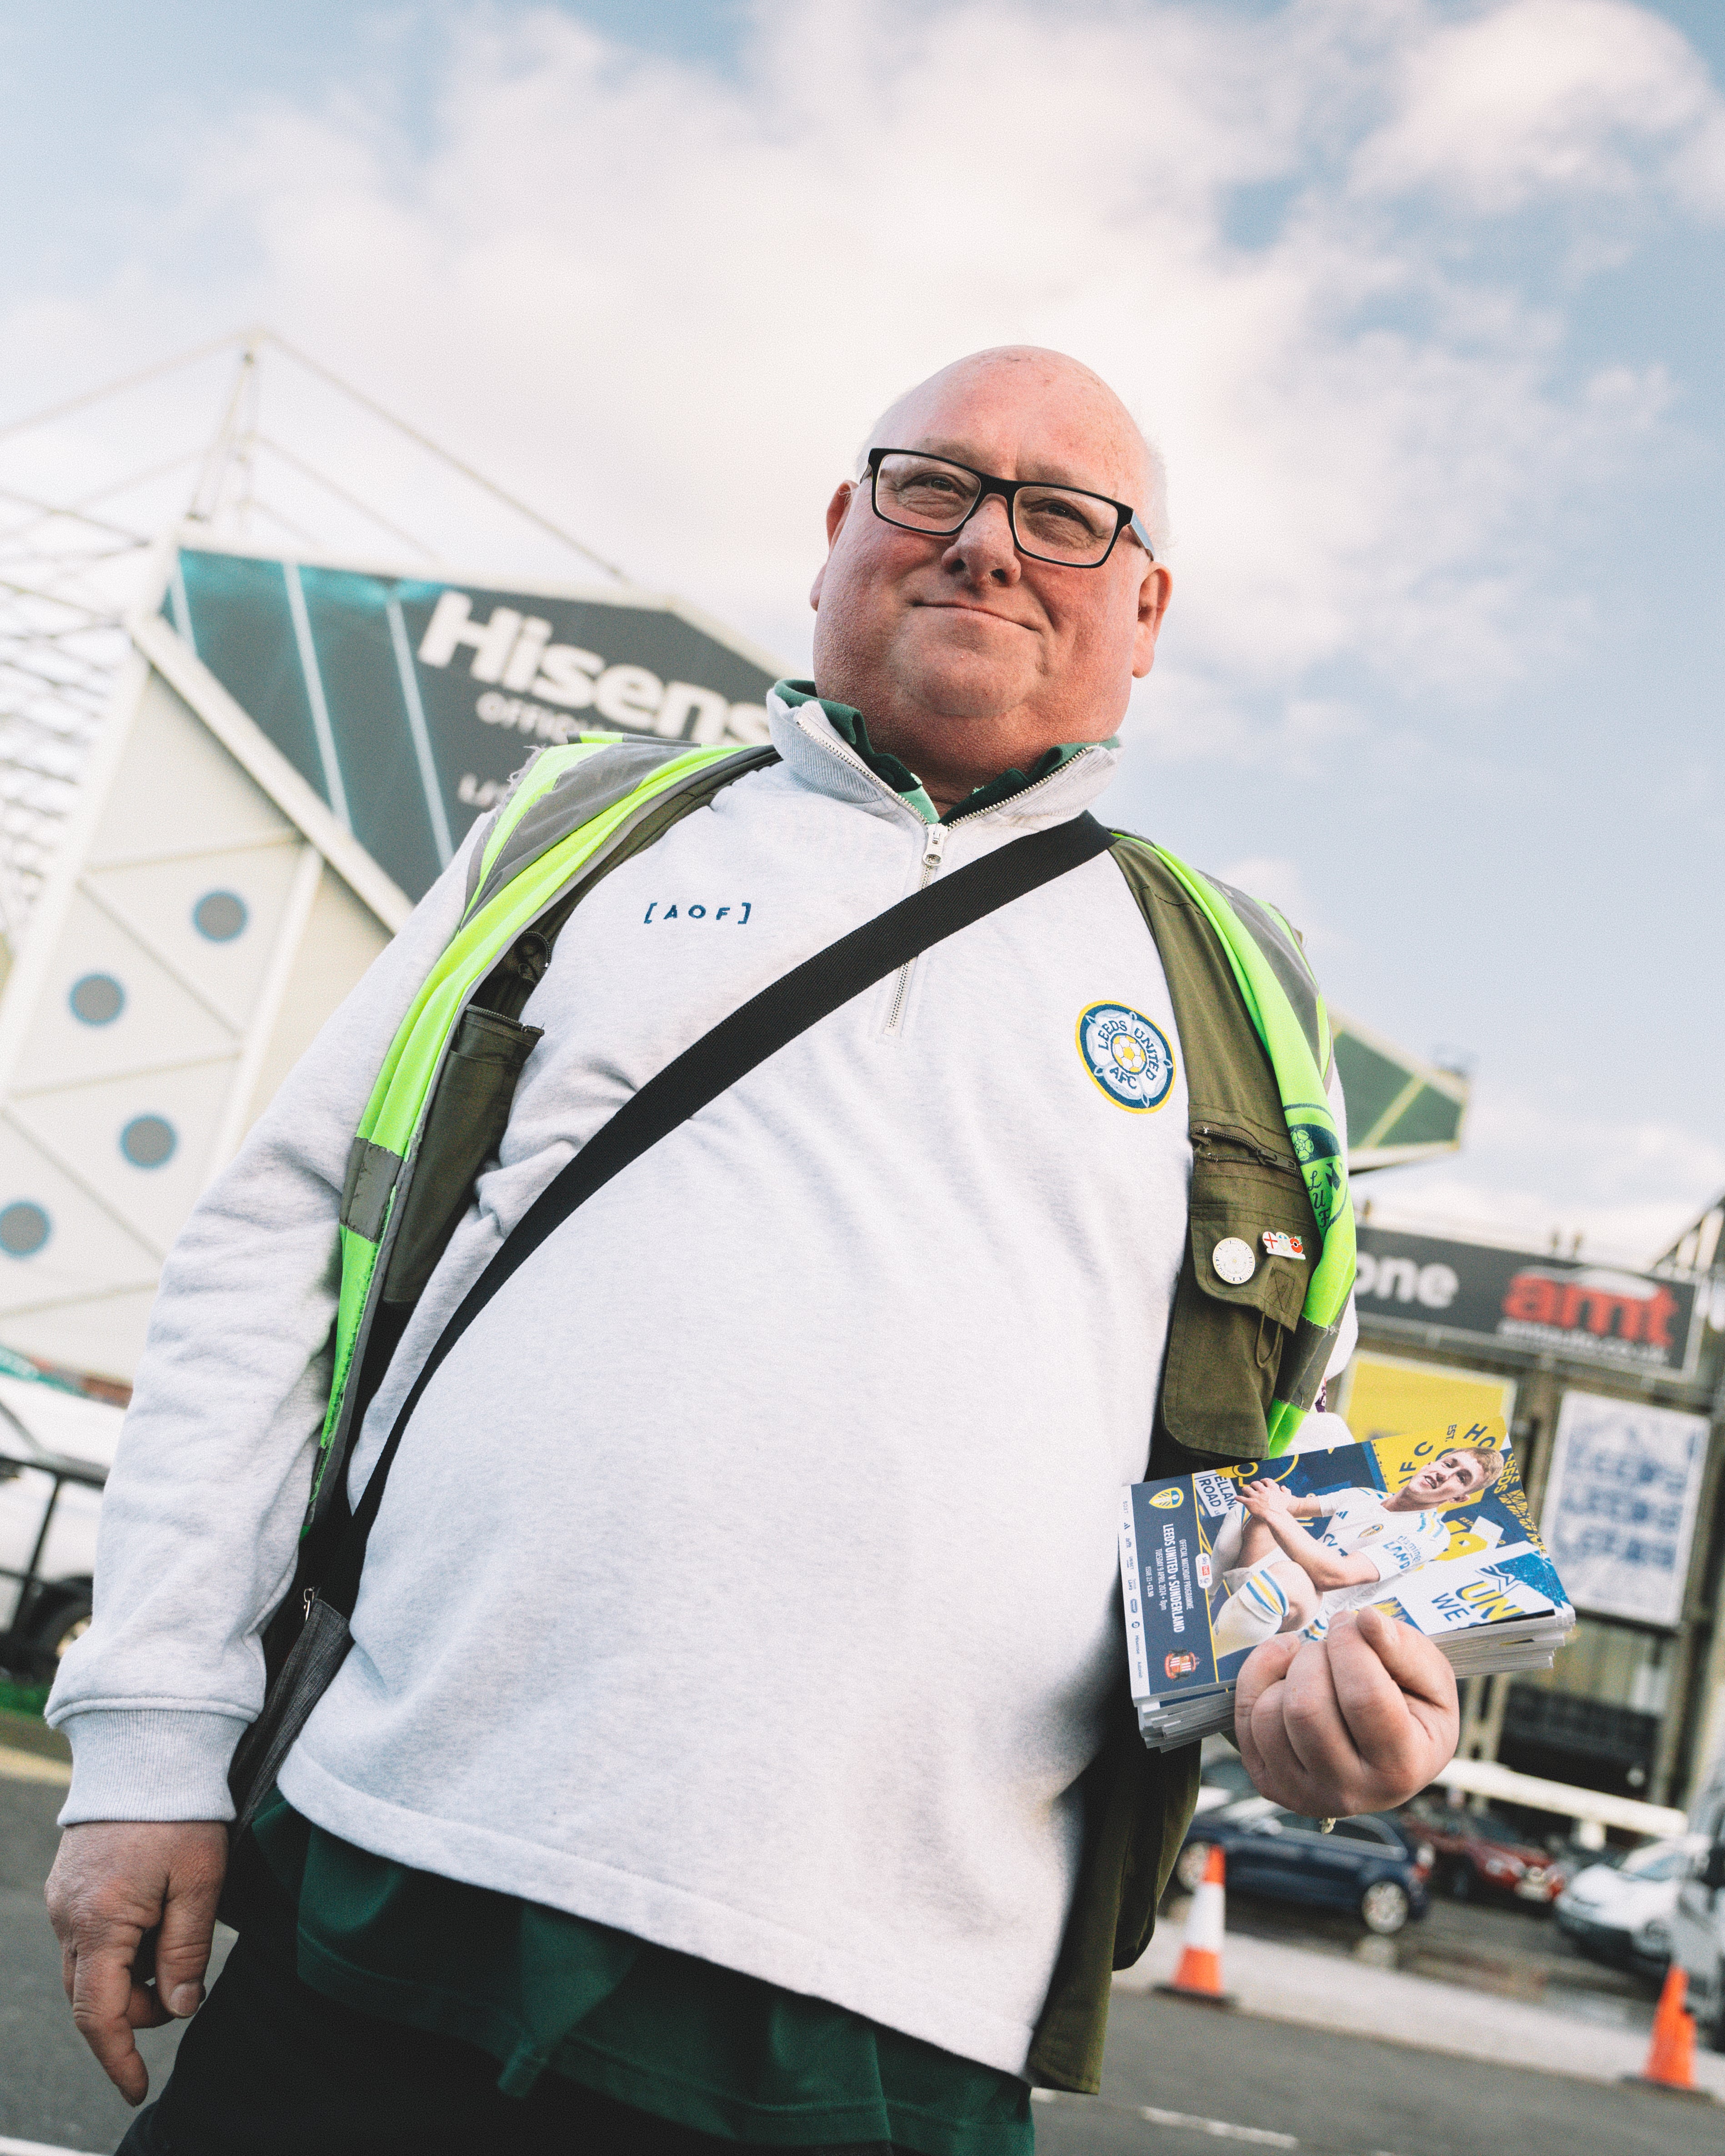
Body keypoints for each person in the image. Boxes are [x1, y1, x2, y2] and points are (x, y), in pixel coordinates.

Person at [44, 347, 1460, 2156]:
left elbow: (1269, 1486)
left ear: (1148, 608)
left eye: (1063, 515)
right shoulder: (584, 840)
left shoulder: (1234, 989)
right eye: (933, 484)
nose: (986, 544)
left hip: (891, 2027)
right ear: (839, 528)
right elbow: (267, 1277)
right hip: (395, 1888)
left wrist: (1302, 1690)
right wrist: (154, 1742)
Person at [1209, 1444, 1507, 1653]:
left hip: (1310, 1617)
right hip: (1276, 1577)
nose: (1446, 1474)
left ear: (1459, 1498)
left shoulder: (1430, 1536)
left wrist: (1276, 1512)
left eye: (1461, 1479)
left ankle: (1208, 1652)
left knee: (1293, 1574)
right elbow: (1295, 1506)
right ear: (1431, 1464)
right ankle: (1207, 1596)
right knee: (1250, 1508)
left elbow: (1333, 1576)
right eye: (1449, 1464)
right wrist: (1274, 1498)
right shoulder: (1364, 1496)